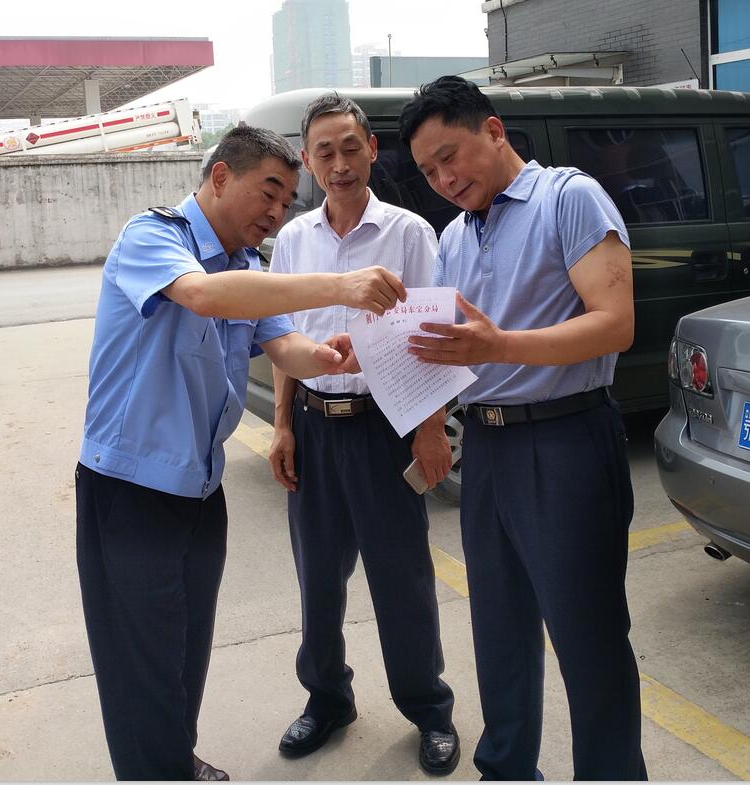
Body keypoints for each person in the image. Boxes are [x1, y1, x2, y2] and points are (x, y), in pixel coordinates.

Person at [76, 124, 407, 781]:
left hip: (200, 489)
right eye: (269, 192)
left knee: (185, 651)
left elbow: (286, 348)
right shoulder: (155, 237)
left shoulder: (248, 269)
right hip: (131, 492)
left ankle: (175, 760)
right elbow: (202, 297)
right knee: (140, 665)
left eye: (287, 201)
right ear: (221, 176)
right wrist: (338, 286)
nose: (277, 211)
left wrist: (332, 356)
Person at [398, 76, 646, 780]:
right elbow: (446, 345)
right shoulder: (453, 237)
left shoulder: (568, 198)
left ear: (494, 130)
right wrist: (384, 362)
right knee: (500, 627)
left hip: (565, 440)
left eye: (450, 156)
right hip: (489, 445)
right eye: (428, 171)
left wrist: (500, 345)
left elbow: (615, 324)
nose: (445, 179)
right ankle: (506, 768)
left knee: (587, 633)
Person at [267, 93, 459, 775]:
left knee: (401, 579)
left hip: (385, 429)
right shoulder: (294, 241)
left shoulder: (408, 233)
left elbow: (434, 337)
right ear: (308, 160)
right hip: (315, 429)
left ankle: (428, 707)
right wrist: (283, 425)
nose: (340, 162)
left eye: (351, 147)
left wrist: (430, 430)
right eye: (325, 151)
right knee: (318, 578)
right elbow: (280, 338)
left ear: (372, 149)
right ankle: (327, 698)